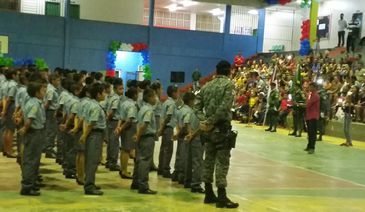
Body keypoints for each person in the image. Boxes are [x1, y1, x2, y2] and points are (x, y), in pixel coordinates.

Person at [195, 60, 239, 208]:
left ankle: (208, 193)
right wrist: (213, 121)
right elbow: (225, 106)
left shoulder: (206, 86)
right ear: (228, 71)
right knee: (222, 162)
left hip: (208, 131)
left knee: (208, 160)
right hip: (221, 129)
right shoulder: (229, 85)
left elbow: (197, 107)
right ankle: (221, 196)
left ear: (217, 71)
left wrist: (205, 122)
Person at [19, 80, 47, 196]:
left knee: (34, 159)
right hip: (34, 133)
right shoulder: (35, 104)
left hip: (36, 132)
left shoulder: (33, 102)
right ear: (36, 92)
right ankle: (27, 186)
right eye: (42, 90)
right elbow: (30, 118)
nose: (44, 91)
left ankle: (32, 182)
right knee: (31, 160)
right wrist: (25, 129)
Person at [80, 83, 106, 195]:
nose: (105, 94)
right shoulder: (95, 107)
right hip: (94, 134)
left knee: (92, 160)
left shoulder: (91, 104)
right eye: (103, 92)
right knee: (92, 161)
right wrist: (85, 135)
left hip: (93, 134)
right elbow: (92, 123)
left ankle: (90, 182)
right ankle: (89, 186)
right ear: (98, 94)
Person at [131, 88, 157, 194]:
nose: (156, 99)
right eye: (154, 96)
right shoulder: (148, 110)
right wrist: (138, 134)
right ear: (149, 98)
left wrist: (138, 135)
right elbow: (145, 124)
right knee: (145, 161)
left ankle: (136, 182)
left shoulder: (142, 108)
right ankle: (143, 185)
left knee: (139, 160)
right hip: (146, 137)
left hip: (142, 136)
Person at [182, 92, 204, 193]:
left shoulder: (191, 111)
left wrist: (190, 133)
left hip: (190, 137)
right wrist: (193, 134)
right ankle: (196, 184)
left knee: (189, 160)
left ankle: (187, 181)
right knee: (197, 162)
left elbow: (187, 123)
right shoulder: (201, 112)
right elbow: (202, 127)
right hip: (197, 138)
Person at [115, 87, 138, 179]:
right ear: (135, 95)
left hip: (123, 127)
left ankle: (123, 169)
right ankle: (124, 171)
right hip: (129, 128)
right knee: (127, 150)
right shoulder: (132, 105)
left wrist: (119, 127)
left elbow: (121, 117)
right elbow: (129, 119)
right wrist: (121, 128)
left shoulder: (124, 103)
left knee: (124, 149)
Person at [158, 85, 179, 178]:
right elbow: (168, 116)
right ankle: (165, 169)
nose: (178, 94)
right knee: (168, 149)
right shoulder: (171, 104)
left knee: (163, 149)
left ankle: (160, 168)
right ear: (173, 93)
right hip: (168, 127)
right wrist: (162, 128)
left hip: (164, 127)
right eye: (177, 92)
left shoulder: (166, 102)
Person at [105, 78, 124, 171]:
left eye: (123, 88)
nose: (122, 90)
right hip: (114, 121)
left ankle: (109, 161)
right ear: (115, 89)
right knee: (114, 143)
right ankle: (113, 162)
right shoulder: (116, 99)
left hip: (110, 121)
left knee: (110, 142)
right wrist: (109, 118)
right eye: (120, 89)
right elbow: (113, 111)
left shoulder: (111, 97)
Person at [44, 73, 61, 158]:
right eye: (57, 80)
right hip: (51, 112)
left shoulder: (52, 88)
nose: (59, 82)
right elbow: (48, 103)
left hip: (52, 111)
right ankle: (48, 150)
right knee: (51, 131)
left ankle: (49, 148)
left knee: (51, 131)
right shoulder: (51, 90)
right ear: (53, 80)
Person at [304, 82, 320, 154]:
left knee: (312, 133)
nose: (309, 88)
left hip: (313, 116)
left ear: (314, 87)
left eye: (310, 87)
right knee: (309, 132)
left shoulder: (316, 96)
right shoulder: (310, 95)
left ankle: (312, 147)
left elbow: (308, 104)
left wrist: (302, 104)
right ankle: (309, 145)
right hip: (309, 115)